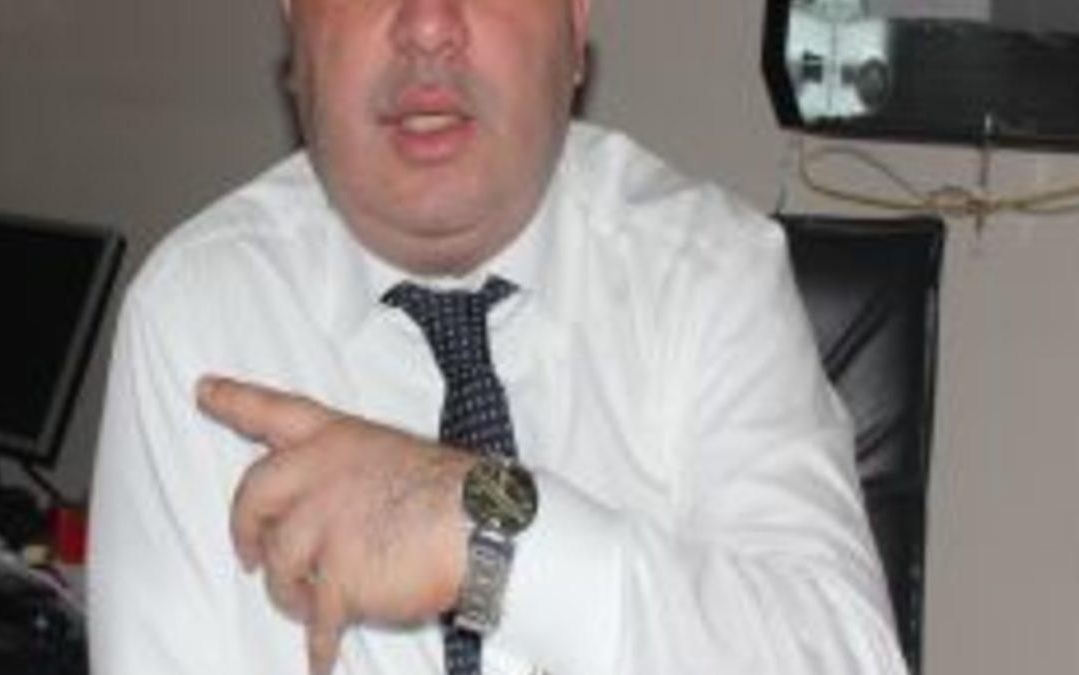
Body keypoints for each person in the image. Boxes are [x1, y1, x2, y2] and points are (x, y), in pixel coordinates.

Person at [87, 0, 908, 672]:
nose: (427, 25)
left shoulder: (712, 275)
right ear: (294, 27)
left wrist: (483, 531)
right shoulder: (196, 315)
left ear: (575, 25)